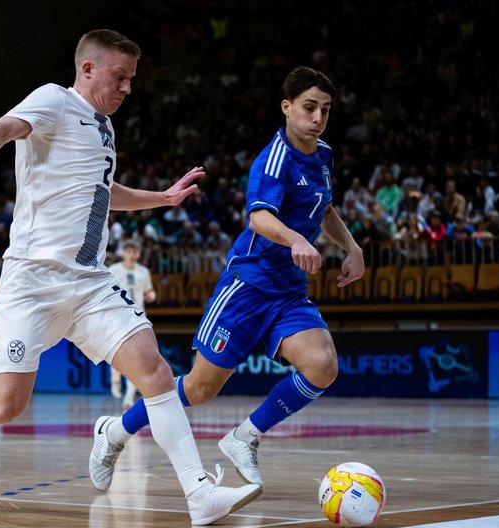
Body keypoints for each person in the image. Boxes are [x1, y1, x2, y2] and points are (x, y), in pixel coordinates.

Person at [0, 29, 260, 526]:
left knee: (156, 372)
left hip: (89, 283)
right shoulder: (54, 101)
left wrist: (162, 199)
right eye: (120, 77)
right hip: (32, 283)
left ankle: (198, 495)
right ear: (88, 69)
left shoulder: (104, 129)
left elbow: (105, 190)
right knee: (2, 408)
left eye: (132, 80)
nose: (127, 88)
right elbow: (4, 126)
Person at [90, 66, 364, 488]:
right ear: (286, 107)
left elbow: (324, 209)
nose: (318, 118)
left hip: (289, 292)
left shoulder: (323, 155)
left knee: (323, 365)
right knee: (198, 389)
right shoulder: (274, 158)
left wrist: (353, 247)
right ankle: (116, 431)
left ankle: (244, 437)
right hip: (247, 288)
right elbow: (258, 218)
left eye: (325, 110)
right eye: (309, 107)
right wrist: (295, 240)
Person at [107, 239, 156, 410]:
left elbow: (150, 291)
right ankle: (115, 381)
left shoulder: (143, 271)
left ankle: (129, 397)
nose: (132, 255)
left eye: (135, 252)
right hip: (117, 317)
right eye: (129, 252)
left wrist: (151, 296)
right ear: (124, 253)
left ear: (138, 254)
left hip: (137, 318)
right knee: (116, 355)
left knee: (136, 359)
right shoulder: (114, 271)